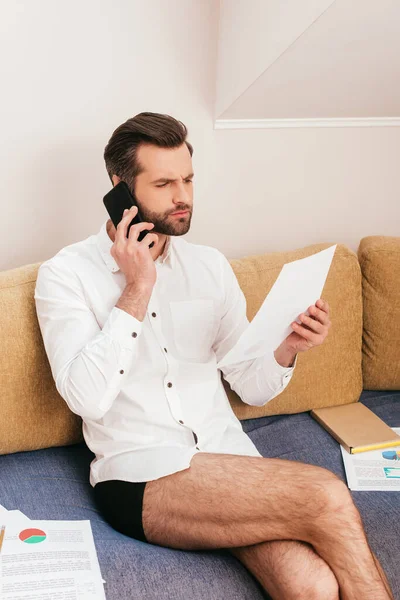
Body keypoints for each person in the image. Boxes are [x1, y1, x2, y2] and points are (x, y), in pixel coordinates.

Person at [34, 112, 393, 600]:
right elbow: (87, 399)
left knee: (311, 584)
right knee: (325, 494)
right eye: (163, 183)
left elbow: (250, 383)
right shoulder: (66, 275)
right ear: (119, 187)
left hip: (227, 464)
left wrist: (288, 348)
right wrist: (137, 288)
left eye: (187, 179)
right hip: (140, 476)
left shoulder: (210, 267)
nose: (183, 196)